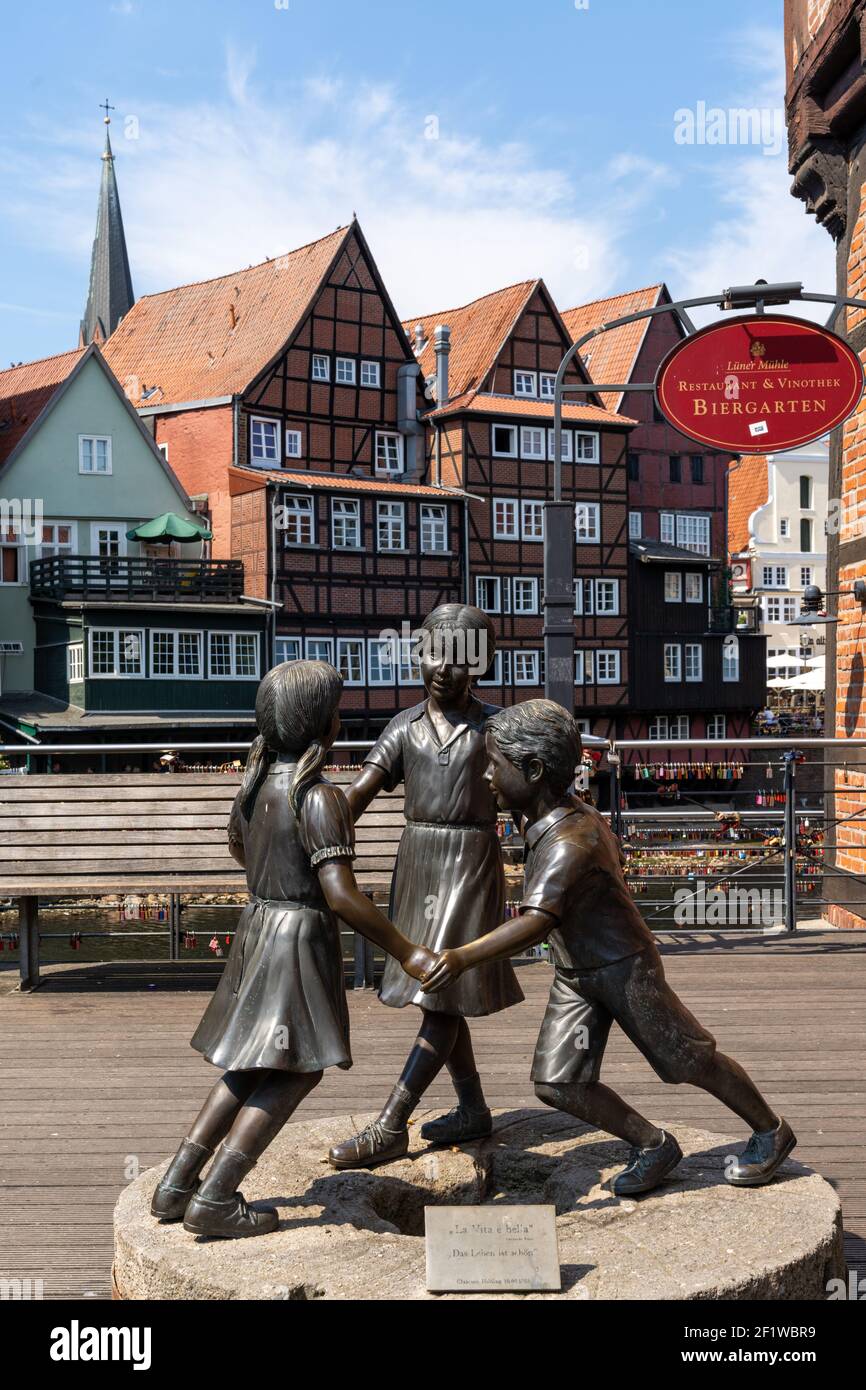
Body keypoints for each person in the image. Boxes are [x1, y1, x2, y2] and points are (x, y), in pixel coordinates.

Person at [422, 699, 796, 1195]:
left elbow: (536, 923)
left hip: (624, 968)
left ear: (533, 770)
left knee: (687, 1058)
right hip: (577, 972)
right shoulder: (545, 817)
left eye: (495, 764)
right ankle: (652, 1143)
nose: (486, 774)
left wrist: (460, 957)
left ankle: (771, 1130)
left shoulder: (569, 843)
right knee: (558, 1081)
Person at [151, 661, 436, 1239]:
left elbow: (244, 855)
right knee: (296, 1070)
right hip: (298, 943)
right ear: (323, 727)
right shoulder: (319, 798)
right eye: (335, 711)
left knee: (247, 1063)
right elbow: (342, 896)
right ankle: (217, 1195)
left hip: (257, 929)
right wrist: (407, 950)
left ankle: (178, 1182)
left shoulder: (254, 787)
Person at [327, 604, 524, 1170]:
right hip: (417, 863)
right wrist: (313, 823)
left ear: (481, 666)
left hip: (470, 862)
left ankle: (392, 1122)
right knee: (442, 994)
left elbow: (530, 800)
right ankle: (473, 1107)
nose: (443, 669)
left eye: (459, 659)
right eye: (434, 653)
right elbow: (358, 793)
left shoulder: (495, 728)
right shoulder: (405, 727)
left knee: (439, 989)